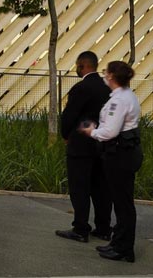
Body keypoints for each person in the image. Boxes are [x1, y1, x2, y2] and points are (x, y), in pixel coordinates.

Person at [81, 61, 142, 264]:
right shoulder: (125, 96)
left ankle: (124, 249)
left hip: (119, 155)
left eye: (106, 72)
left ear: (112, 76)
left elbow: (110, 132)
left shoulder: (119, 101)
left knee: (123, 203)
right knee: (121, 202)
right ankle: (118, 243)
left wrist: (92, 132)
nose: (104, 75)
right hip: (123, 153)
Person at [57, 50, 112, 244]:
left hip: (81, 146)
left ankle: (80, 228)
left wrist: (66, 135)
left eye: (77, 66)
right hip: (103, 145)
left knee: (79, 187)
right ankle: (104, 228)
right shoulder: (108, 88)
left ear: (82, 66)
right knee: (101, 188)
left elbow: (69, 116)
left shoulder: (81, 88)